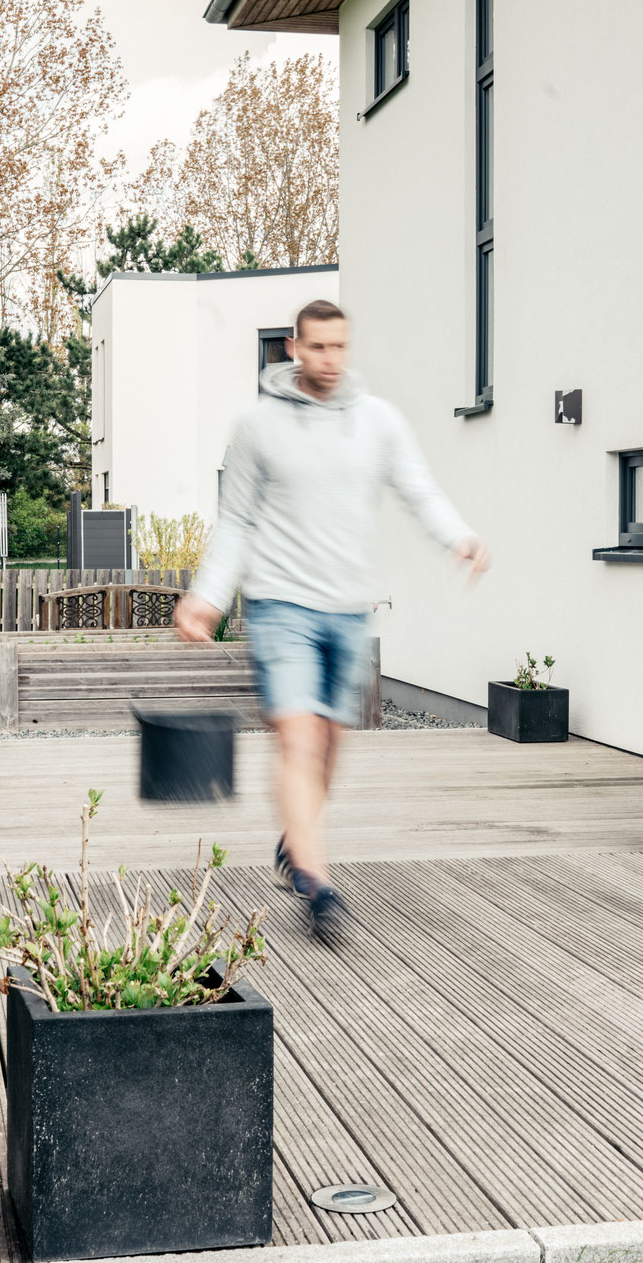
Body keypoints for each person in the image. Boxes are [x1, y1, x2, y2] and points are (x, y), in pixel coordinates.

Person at [176, 299, 489, 939]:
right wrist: (208, 596)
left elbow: (416, 487)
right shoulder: (257, 428)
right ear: (294, 348)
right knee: (299, 738)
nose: (329, 359)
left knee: (330, 747)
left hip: (346, 609)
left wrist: (458, 536)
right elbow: (235, 521)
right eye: (317, 347)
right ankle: (316, 879)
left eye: (339, 347)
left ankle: (296, 839)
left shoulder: (378, 422)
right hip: (279, 605)